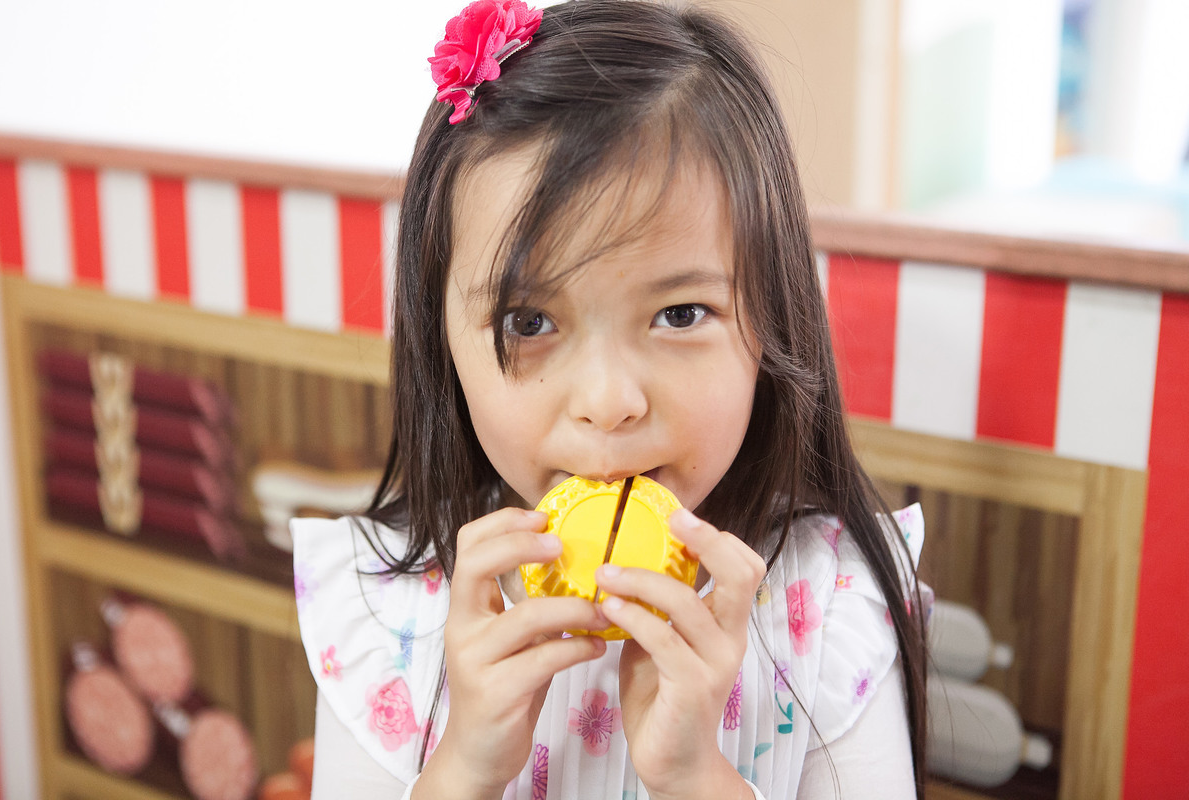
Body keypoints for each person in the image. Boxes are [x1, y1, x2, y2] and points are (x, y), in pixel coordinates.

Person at [292, 1, 930, 797]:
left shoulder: (831, 610)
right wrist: (463, 770)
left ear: (774, 319)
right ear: (440, 342)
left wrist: (697, 778)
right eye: (529, 321)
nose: (608, 402)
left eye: (680, 314)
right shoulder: (383, 616)